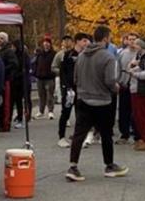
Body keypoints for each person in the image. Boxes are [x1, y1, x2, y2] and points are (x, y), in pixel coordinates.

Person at [65, 25, 128, 182]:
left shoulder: (81, 56)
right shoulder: (108, 57)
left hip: (83, 99)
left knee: (79, 134)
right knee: (106, 134)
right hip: (102, 101)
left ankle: (73, 166)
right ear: (105, 38)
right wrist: (116, 88)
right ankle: (109, 165)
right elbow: (109, 80)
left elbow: (75, 78)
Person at [57, 33, 90, 148]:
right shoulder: (68, 55)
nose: (87, 43)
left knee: (81, 114)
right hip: (69, 89)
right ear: (78, 41)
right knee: (65, 112)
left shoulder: (86, 55)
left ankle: (79, 138)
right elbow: (63, 72)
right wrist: (66, 87)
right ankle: (61, 137)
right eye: (85, 41)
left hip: (82, 89)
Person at [116, 32, 139, 144]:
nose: (132, 41)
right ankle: (124, 134)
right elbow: (118, 68)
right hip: (124, 83)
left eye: (134, 39)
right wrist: (118, 81)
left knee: (135, 111)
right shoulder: (122, 53)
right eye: (130, 39)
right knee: (123, 110)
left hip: (136, 85)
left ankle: (137, 134)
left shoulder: (140, 54)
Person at [33, 37, 57, 120]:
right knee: (41, 95)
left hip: (49, 77)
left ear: (50, 44)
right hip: (40, 77)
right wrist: (35, 73)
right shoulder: (40, 54)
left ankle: (50, 111)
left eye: (47, 42)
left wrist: (53, 73)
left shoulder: (54, 54)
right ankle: (41, 111)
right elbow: (35, 63)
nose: (46, 44)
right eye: (44, 42)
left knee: (50, 95)